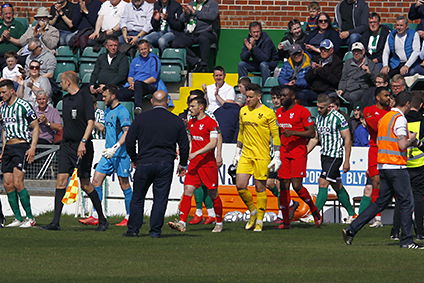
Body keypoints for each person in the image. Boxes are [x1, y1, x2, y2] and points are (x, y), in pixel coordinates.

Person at [342, 91, 424, 249]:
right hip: (396, 166)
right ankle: (407, 240)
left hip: (383, 165)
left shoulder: (386, 117)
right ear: (407, 104)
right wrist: (411, 139)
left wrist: (411, 141)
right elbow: (401, 145)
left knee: (380, 202)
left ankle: (352, 229)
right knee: (407, 202)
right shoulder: (399, 119)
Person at [42, 71, 108, 231]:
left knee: (85, 183)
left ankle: (102, 219)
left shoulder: (84, 97)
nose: (60, 84)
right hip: (66, 146)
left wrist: (83, 142)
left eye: (62, 81)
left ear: (69, 82)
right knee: (61, 181)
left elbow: (90, 122)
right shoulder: (65, 100)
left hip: (82, 146)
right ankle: (55, 221)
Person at [124, 90, 189, 238]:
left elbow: (129, 141)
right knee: (160, 198)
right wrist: (183, 164)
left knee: (138, 197)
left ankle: (133, 229)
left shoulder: (141, 118)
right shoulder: (176, 120)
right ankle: (155, 231)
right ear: (167, 102)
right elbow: (184, 145)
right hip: (165, 162)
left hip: (144, 161)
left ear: (152, 102)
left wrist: (134, 158)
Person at [168, 96, 224, 233]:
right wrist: (183, 153)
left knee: (213, 193)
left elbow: (213, 143)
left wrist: (196, 153)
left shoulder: (211, 122)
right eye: (190, 106)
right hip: (194, 164)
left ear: (201, 107)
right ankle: (182, 222)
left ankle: (219, 221)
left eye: (193, 106)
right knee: (188, 190)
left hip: (207, 164)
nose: (190, 108)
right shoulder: (191, 123)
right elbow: (191, 140)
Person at [80, 85, 133, 226]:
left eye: (105, 96)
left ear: (113, 96)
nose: (103, 99)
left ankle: (130, 216)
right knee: (96, 180)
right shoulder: (108, 110)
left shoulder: (122, 112)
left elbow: (127, 132)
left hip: (120, 154)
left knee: (124, 184)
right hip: (108, 153)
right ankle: (96, 215)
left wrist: (115, 147)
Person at [231, 83, 281, 232]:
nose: (248, 99)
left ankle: (259, 219)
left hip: (262, 155)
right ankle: (253, 211)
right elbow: (241, 131)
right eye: (247, 96)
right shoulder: (243, 111)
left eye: (251, 97)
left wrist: (277, 155)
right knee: (240, 185)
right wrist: (237, 151)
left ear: (259, 97)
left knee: (260, 188)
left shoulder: (268, 113)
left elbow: (275, 135)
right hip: (246, 154)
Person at [276, 86, 321, 229]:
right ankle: (285, 221)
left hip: (298, 152)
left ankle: (313, 209)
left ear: (292, 97)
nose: (281, 98)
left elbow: (312, 133)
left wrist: (294, 133)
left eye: (284, 96)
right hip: (284, 152)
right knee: (283, 185)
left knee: (297, 186)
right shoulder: (278, 112)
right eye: (280, 96)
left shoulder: (302, 111)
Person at [307, 94, 357, 223]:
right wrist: (305, 151)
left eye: (321, 107)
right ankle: (352, 214)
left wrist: (347, 160)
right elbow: (315, 138)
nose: (319, 110)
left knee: (322, 182)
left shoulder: (338, 118)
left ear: (329, 106)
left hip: (335, 155)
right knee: (337, 185)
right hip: (324, 155)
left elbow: (347, 139)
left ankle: (315, 215)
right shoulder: (318, 118)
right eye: (317, 107)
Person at [0, 79, 39, 228]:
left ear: (12, 91)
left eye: (4, 92)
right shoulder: (3, 108)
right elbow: (4, 130)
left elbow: (35, 126)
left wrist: (33, 147)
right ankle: (17, 217)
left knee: (18, 182)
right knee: (8, 184)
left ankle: (30, 217)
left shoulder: (24, 105)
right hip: (9, 148)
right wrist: (3, 150)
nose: (2, 95)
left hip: (21, 145)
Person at [356, 87, 390, 227]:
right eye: (385, 95)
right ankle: (377, 218)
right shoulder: (369, 111)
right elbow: (377, 128)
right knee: (375, 182)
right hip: (375, 151)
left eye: (389, 95)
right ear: (377, 97)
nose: (388, 97)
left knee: (391, 184)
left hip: (389, 150)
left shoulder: (391, 112)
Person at [171, 0, 219, 72]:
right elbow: (181, 19)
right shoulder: (191, 3)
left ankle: (204, 65)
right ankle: (197, 61)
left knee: (203, 38)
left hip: (207, 32)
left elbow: (212, 16)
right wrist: (186, 14)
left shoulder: (212, 4)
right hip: (191, 32)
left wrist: (195, 12)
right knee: (176, 43)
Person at [119, 40, 160, 112]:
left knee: (138, 84)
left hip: (148, 85)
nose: (143, 51)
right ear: (138, 50)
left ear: (149, 48)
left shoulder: (154, 59)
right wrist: (132, 83)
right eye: (141, 49)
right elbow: (130, 77)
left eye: (145, 49)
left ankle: (138, 108)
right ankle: (124, 111)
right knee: (120, 92)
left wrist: (138, 84)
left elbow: (153, 78)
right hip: (135, 86)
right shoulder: (135, 60)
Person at [404, 93, 424, 240]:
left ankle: (397, 231)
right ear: (421, 105)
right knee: (418, 198)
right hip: (419, 163)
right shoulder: (422, 121)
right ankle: (420, 230)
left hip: (403, 164)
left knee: (402, 198)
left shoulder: (401, 120)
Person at [337, 42, 379, 107]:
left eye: (358, 51)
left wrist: (369, 73)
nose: (356, 53)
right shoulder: (348, 63)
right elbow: (343, 79)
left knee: (353, 96)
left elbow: (376, 81)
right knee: (332, 97)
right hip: (347, 90)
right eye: (354, 51)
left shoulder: (370, 64)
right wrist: (341, 89)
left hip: (361, 89)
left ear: (363, 51)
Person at [0, 3, 26, 67]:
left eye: (10, 13)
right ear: (2, 15)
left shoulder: (19, 25)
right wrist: (1, 38)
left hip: (14, 56)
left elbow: (22, 42)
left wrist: (9, 38)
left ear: (13, 14)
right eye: (6, 14)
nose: (8, 16)